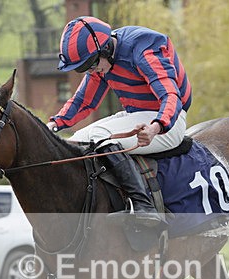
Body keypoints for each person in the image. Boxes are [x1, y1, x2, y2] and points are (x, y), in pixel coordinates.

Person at [47, 16, 192, 227]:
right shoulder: (100, 60)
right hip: (137, 116)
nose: (90, 71)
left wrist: (155, 127)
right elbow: (84, 102)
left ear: (105, 49)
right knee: (77, 141)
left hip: (169, 120)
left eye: (90, 64)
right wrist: (54, 124)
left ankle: (144, 205)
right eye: (82, 68)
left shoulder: (143, 49)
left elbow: (171, 96)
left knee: (100, 136)